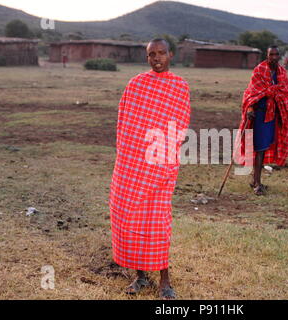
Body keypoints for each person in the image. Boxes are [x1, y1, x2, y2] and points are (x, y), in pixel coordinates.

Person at [109, 39, 190, 299]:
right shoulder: (136, 84)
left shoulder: (179, 86)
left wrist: (162, 156)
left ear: (171, 55)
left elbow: (180, 126)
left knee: (157, 222)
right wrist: (130, 159)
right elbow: (125, 124)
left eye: (161, 53)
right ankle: (140, 276)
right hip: (133, 166)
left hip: (161, 167)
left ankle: (164, 281)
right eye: (151, 54)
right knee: (132, 217)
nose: (157, 58)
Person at [235, 45, 288, 196]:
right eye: (271, 54)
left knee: (264, 147)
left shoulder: (281, 73)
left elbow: (285, 92)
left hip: (272, 116)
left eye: (276, 54)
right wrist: (250, 108)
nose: (274, 57)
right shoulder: (259, 70)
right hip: (259, 115)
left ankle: (255, 180)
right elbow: (251, 93)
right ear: (266, 56)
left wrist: (275, 96)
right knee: (259, 149)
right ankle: (257, 184)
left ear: (279, 56)